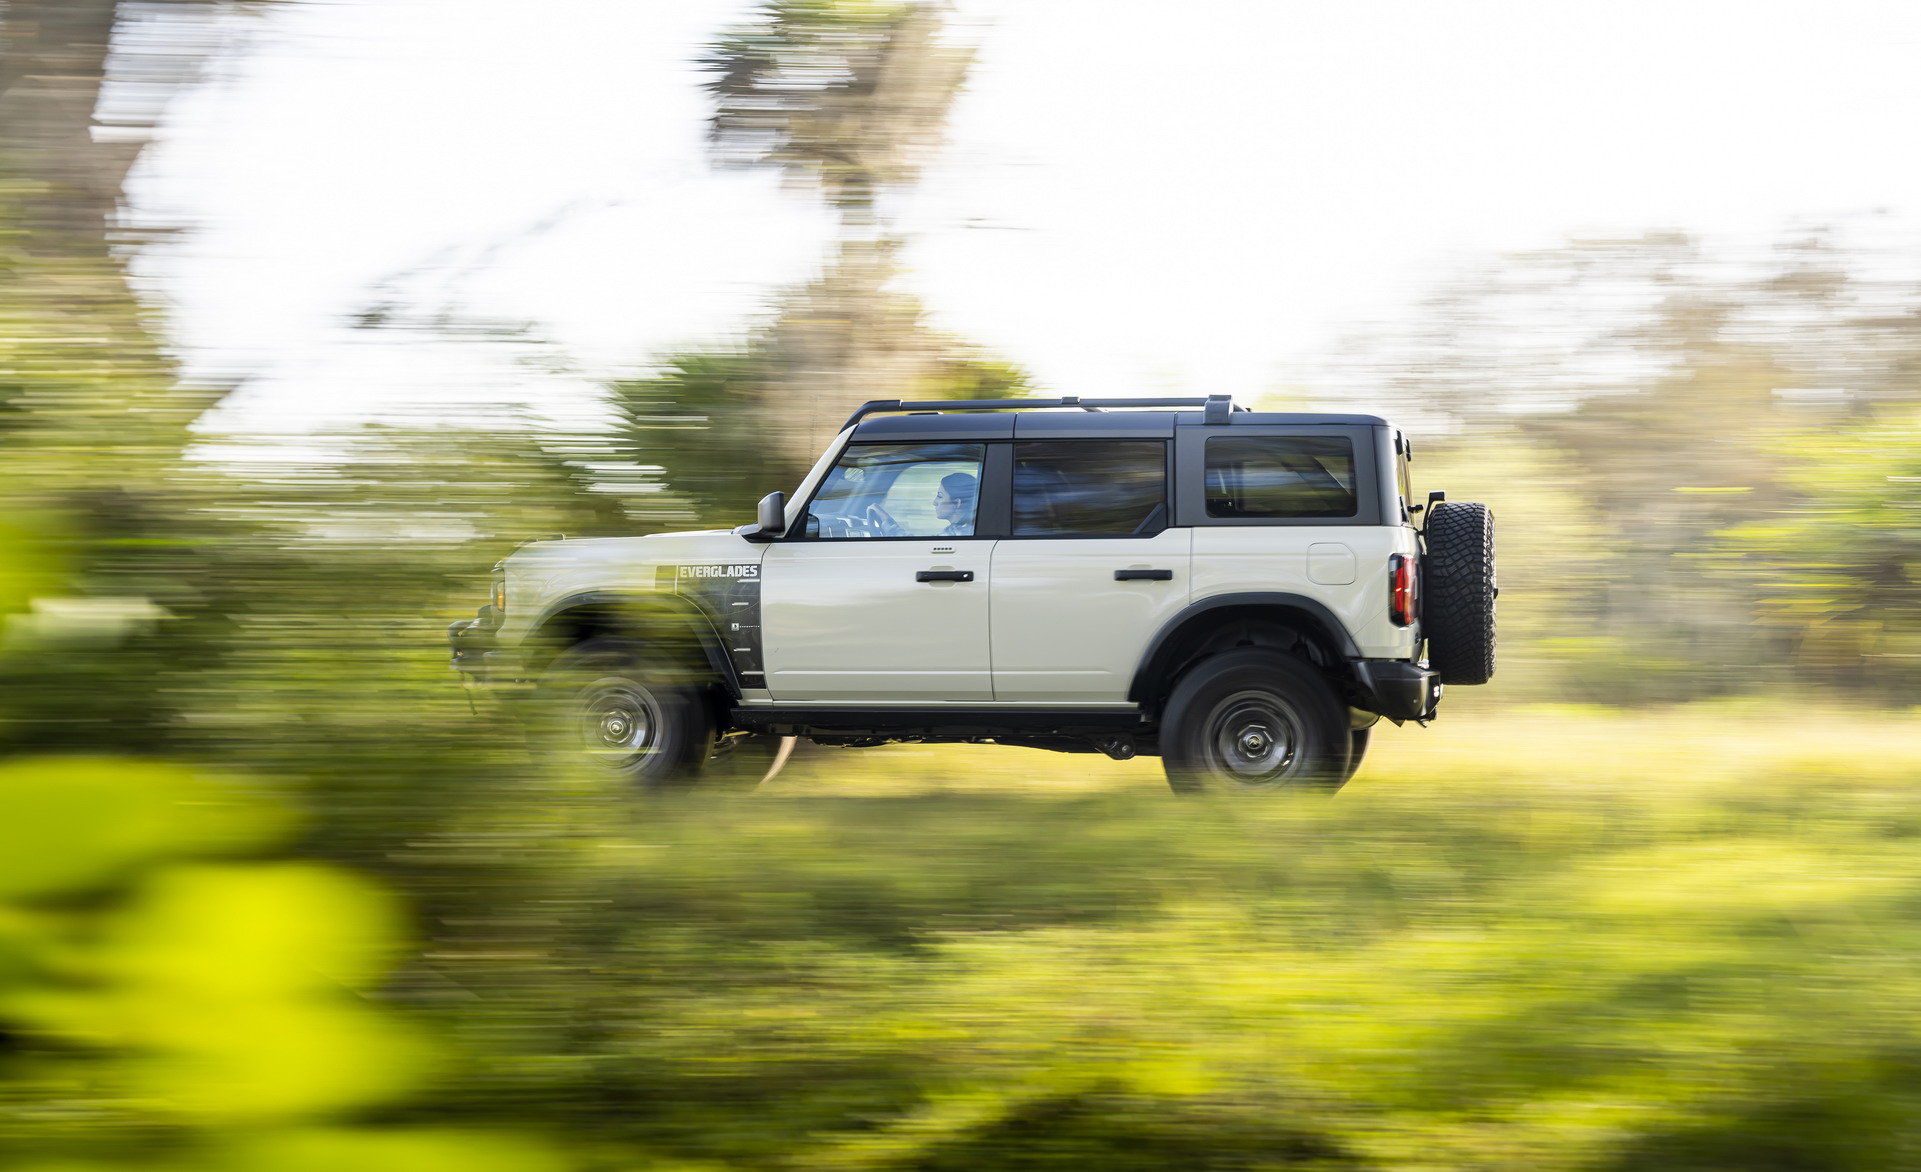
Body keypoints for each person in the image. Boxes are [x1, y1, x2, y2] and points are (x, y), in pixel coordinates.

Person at [934, 471, 977, 536]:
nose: (934, 502)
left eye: (940, 496)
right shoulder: (967, 529)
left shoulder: (958, 533)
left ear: (957, 503)